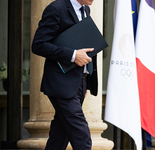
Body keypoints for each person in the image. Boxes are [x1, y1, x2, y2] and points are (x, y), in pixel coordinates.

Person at [31, 0, 97, 149]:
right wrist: (73, 55)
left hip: (79, 82)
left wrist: (86, 78)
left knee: (60, 135)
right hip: (60, 83)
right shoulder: (56, 9)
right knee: (82, 135)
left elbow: (85, 46)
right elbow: (39, 45)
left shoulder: (85, 10)